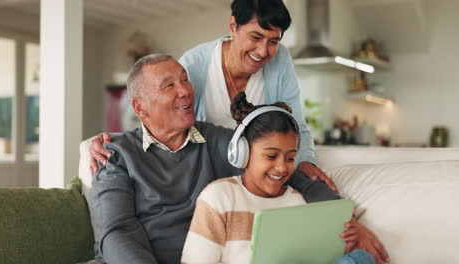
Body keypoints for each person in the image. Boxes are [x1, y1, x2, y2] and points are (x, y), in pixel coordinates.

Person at [86, 54, 388, 264]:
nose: (186, 91)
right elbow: (117, 232)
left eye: (185, 80)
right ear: (140, 108)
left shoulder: (216, 139)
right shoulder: (115, 154)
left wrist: (344, 221)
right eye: (169, 86)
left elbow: (283, 171)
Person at [88, 0, 337, 192]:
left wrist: (305, 162)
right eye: (256, 37)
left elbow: (295, 125)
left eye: (274, 41)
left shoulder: (280, 59)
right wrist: (113, 143)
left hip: (263, 177)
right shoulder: (193, 67)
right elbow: (162, 123)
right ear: (233, 26)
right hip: (209, 180)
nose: (264, 51)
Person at [181, 93, 376, 264]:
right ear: (243, 153)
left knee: (360, 259)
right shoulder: (218, 197)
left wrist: (345, 241)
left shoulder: (297, 201)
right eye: (271, 156)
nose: (282, 167)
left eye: (291, 158)